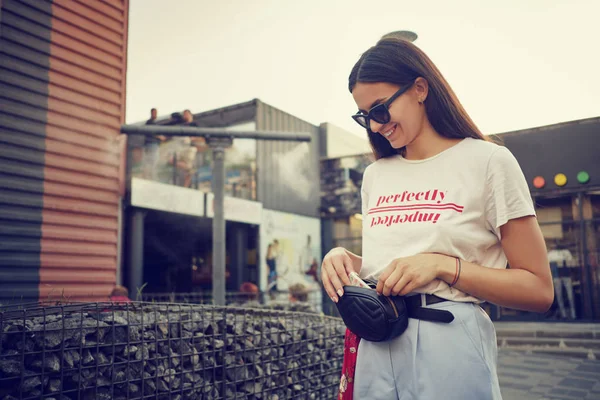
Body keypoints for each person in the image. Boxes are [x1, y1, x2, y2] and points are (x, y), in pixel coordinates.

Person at [321, 37, 554, 400]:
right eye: (365, 117)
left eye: (380, 110)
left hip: (450, 340)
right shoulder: (376, 175)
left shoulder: (489, 161)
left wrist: (445, 267)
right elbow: (393, 265)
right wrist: (345, 261)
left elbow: (539, 290)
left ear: (419, 89)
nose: (375, 126)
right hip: (376, 340)